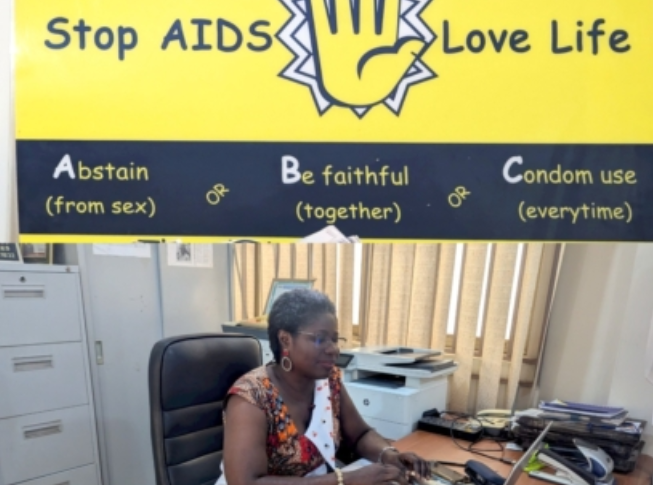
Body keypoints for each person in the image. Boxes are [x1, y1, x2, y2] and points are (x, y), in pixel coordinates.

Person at [216, 288, 431, 485]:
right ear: (285, 340)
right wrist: (345, 480)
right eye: (320, 339)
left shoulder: (329, 381)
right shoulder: (251, 397)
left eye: (335, 339)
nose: (333, 349)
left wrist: (389, 455)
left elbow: (359, 435)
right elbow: (246, 483)